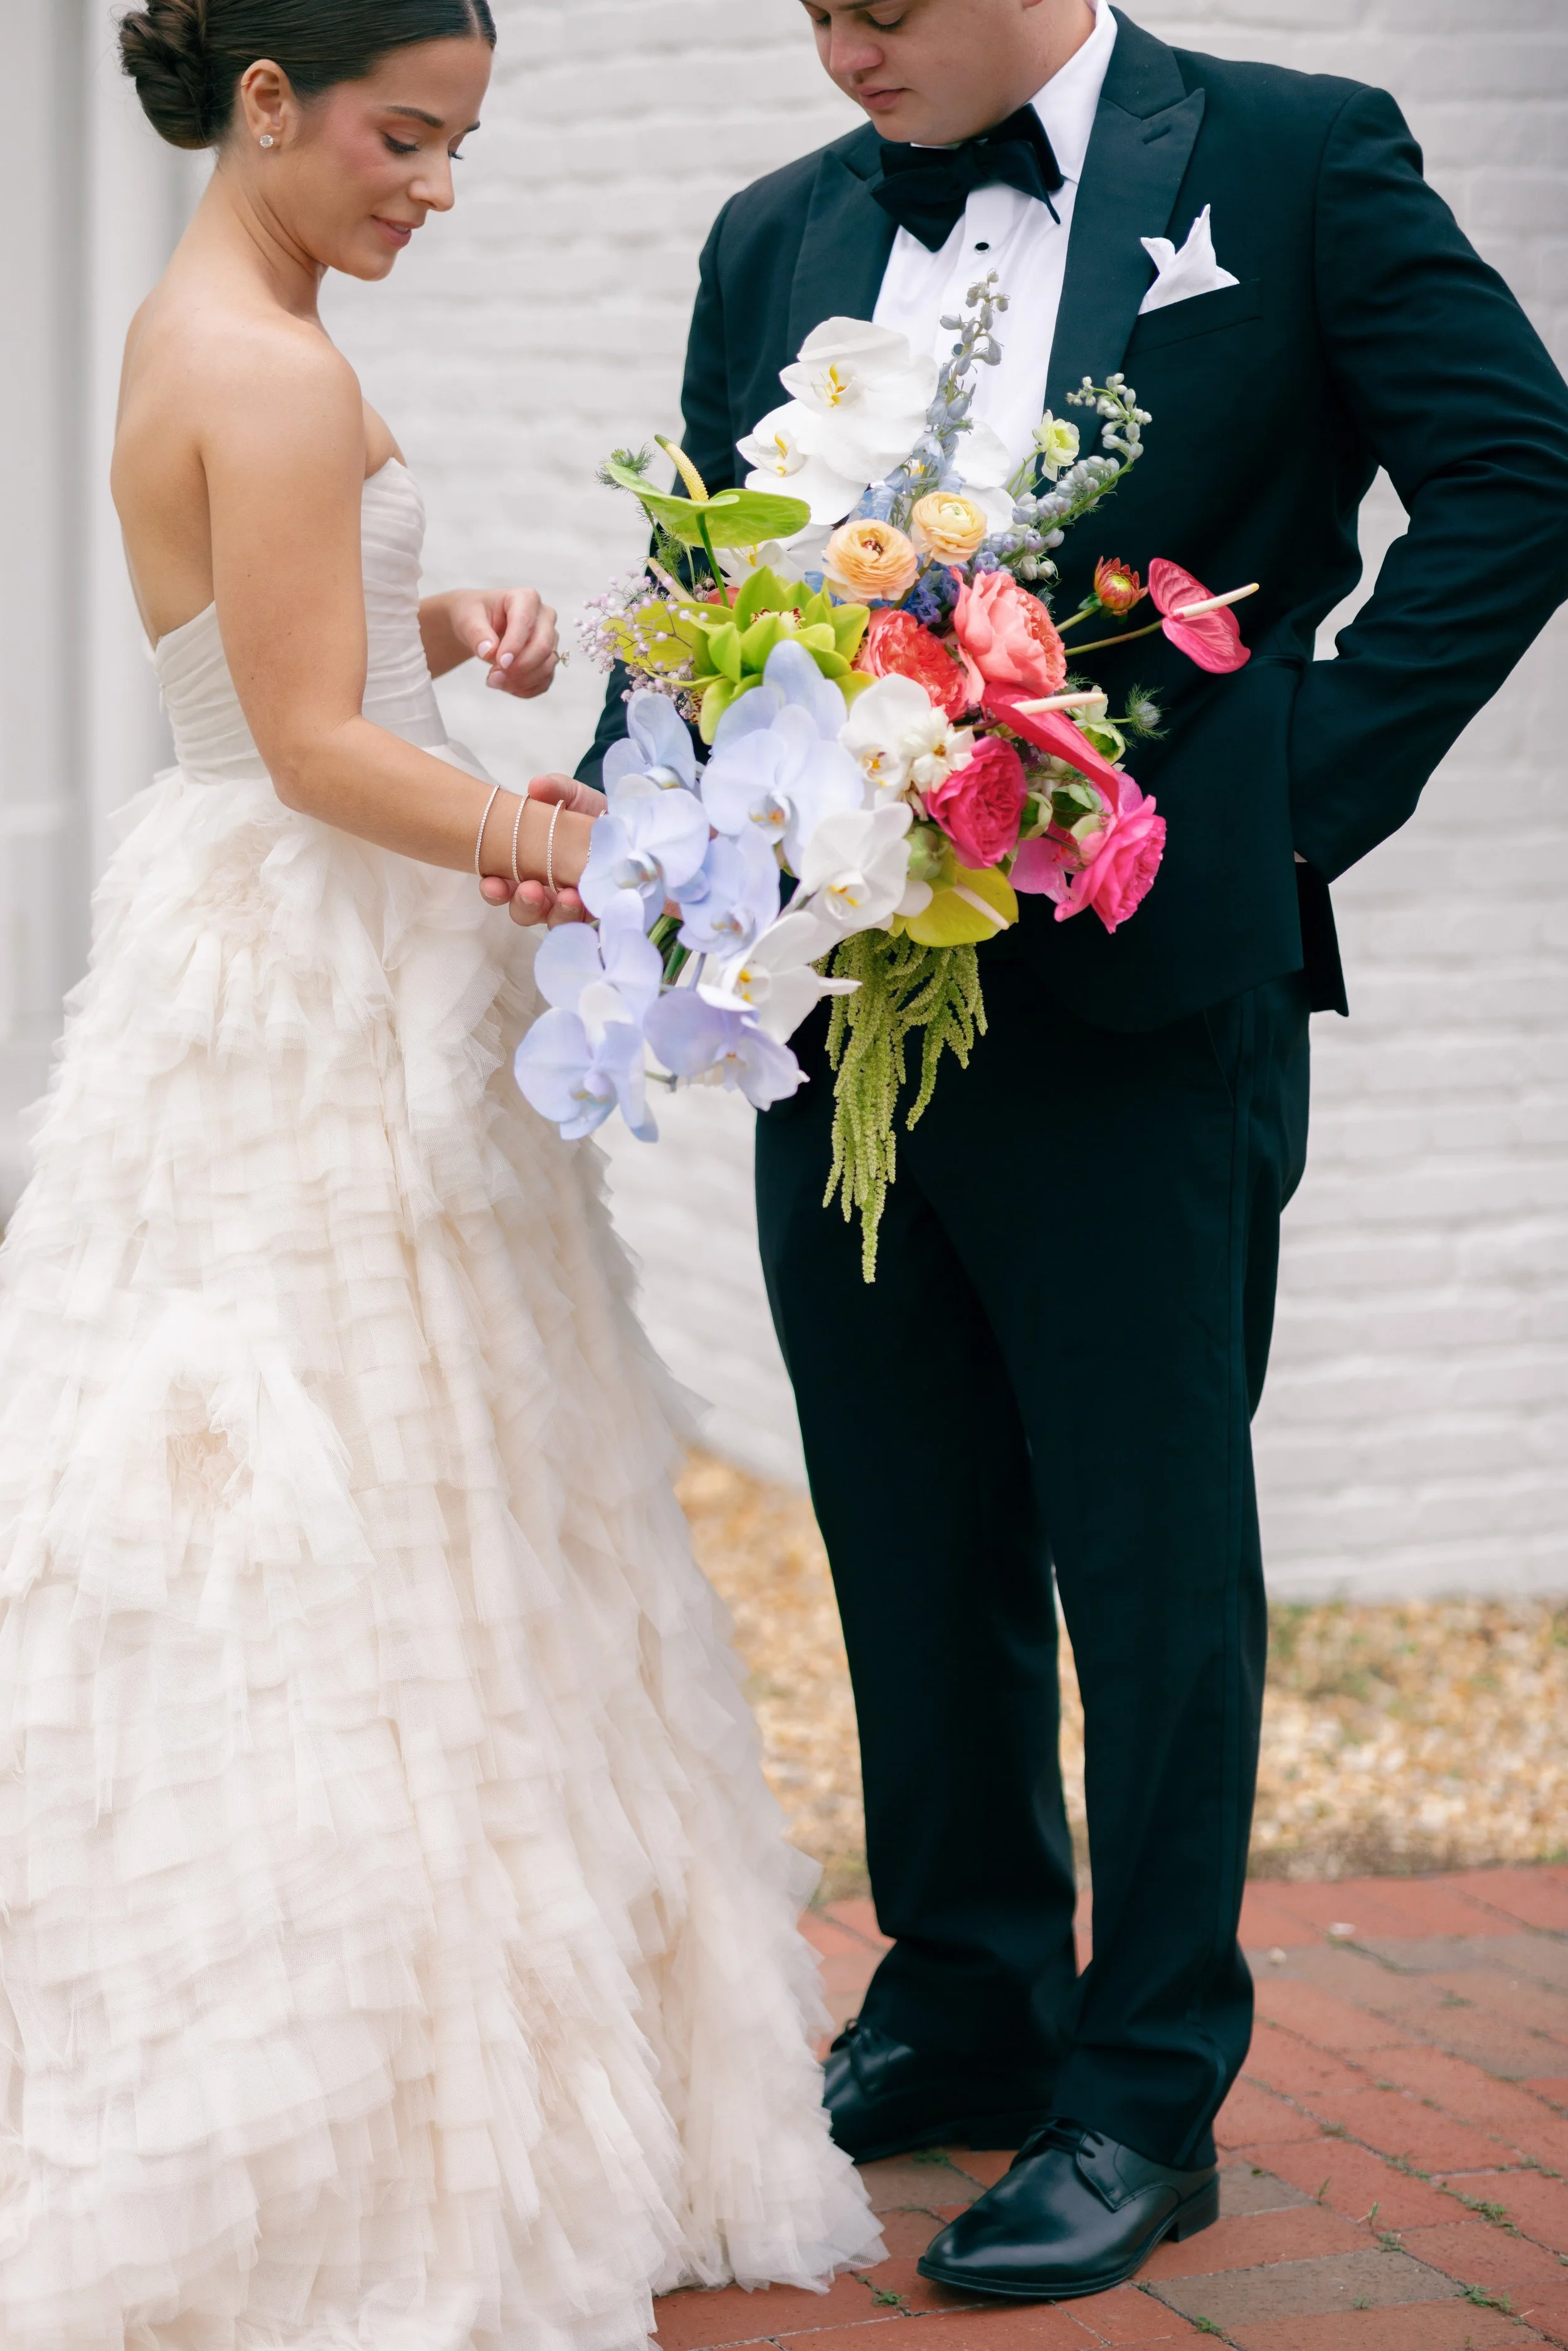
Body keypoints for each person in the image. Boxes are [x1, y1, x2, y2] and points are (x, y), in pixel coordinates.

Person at [577, 0, 1568, 2305]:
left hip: (1138, 1003)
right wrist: (667, 849)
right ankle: (964, 1989)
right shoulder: (772, 231)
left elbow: (1516, 472)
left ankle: (1144, 2087)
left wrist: (1266, 812)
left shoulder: (1303, 159)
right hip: (843, 1005)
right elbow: (697, 574)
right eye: (808, 10)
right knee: (899, 1508)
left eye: (884, 5)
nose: (843, 51)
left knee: (1142, 1549)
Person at [0, 4, 881, 2345]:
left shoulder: (220, 320)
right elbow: (300, 742)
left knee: (406, 1484)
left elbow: (275, 663)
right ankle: (366, 2133)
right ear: (268, 103)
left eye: (463, 145)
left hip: (264, 932)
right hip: (313, 962)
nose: (439, 189)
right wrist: (551, 832)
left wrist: (453, 622)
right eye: (410, 138)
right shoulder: (268, 363)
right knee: (380, 1501)